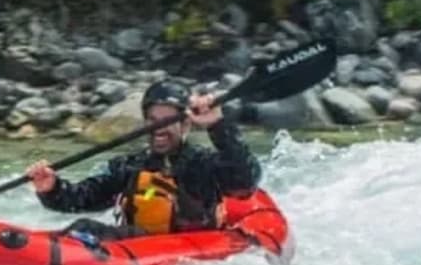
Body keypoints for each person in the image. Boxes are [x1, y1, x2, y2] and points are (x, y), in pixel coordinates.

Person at [25, 80, 261, 241]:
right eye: (153, 120)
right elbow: (80, 198)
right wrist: (51, 188)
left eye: (167, 120)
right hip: (138, 249)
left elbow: (245, 182)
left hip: (191, 254)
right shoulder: (129, 166)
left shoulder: (203, 164)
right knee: (85, 227)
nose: (159, 128)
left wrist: (218, 126)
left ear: (186, 125)